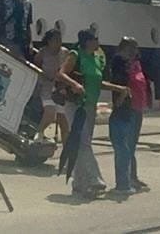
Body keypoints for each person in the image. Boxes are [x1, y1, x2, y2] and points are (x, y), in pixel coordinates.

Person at [56, 29, 126, 199]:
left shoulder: (96, 58)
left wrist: (118, 88)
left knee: (81, 143)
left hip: (90, 106)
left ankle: (78, 184)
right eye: (95, 38)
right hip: (76, 105)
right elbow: (61, 73)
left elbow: (97, 82)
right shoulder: (76, 55)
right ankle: (95, 179)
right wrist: (75, 85)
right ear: (87, 41)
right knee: (83, 142)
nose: (98, 41)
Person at [109, 36, 151, 194]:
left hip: (138, 107)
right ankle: (125, 180)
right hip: (128, 107)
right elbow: (119, 83)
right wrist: (119, 100)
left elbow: (143, 83)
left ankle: (132, 176)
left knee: (131, 145)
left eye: (135, 48)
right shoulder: (120, 63)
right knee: (125, 145)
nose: (134, 51)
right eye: (131, 48)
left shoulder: (136, 64)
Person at [33, 29, 71, 144]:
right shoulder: (43, 52)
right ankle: (38, 133)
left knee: (64, 122)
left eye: (60, 39)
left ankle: (66, 148)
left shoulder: (65, 52)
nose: (58, 42)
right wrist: (44, 76)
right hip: (46, 87)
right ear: (49, 41)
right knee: (50, 113)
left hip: (60, 89)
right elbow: (36, 67)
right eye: (55, 40)